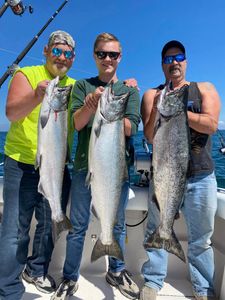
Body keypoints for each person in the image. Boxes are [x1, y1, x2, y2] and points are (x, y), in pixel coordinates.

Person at [51, 32, 141, 300]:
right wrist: (91, 106)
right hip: (84, 169)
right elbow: (77, 123)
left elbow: (131, 128)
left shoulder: (129, 91)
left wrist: (114, 111)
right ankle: (69, 276)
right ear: (95, 56)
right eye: (102, 53)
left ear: (120, 57)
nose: (108, 59)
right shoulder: (82, 86)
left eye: (113, 54)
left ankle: (117, 270)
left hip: (116, 171)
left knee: (117, 225)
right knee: (78, 226)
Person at [140, 40, 221, 300]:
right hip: (164, 175)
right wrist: (157, 110)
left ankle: (203, 288)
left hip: (201, 177)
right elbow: (150, 136)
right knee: (157, 227)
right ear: (162, 65)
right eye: (168, 59)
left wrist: (179, 113)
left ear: (185, 61)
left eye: (179, 57)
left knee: (201, 239)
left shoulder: (204, 88)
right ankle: (153, 280)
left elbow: (210, 125)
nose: (174, 62)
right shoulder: (152, 95)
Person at [0, 30, 76, 300]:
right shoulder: (26, 74)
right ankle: (8, 287)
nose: (62, 57)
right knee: (15, 230)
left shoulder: (74, 86)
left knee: (49, 223)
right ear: (46, 51)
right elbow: (11, 112)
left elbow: (83, 117)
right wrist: (36, 95)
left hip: (55, 167)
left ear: (73, 58)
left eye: (67, 53)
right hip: (20, 165)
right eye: (57, 50)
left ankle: (36, 269)